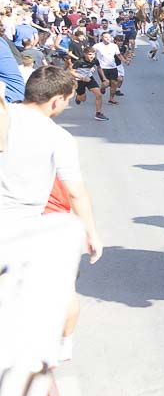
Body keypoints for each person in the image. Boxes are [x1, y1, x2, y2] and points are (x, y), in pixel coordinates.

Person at [0, 66, 102, 260]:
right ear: (56, 101)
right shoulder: (58, 137)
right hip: (20, 229)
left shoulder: (3, 113)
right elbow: (75, 193)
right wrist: (91, 233)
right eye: (68, 100)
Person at [70, 44, 106, 121]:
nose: (92, 56)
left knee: (98, 94)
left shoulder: (95, 60)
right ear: (85, 54)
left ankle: (98, 114)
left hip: (89, 78)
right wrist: (82, 78)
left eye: (93, 54)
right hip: (80, 80)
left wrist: (104, 78)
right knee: (83, 99)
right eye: (90, 54)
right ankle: (78, 97)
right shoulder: (79, 61)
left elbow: (99, 68)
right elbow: (72, 72)